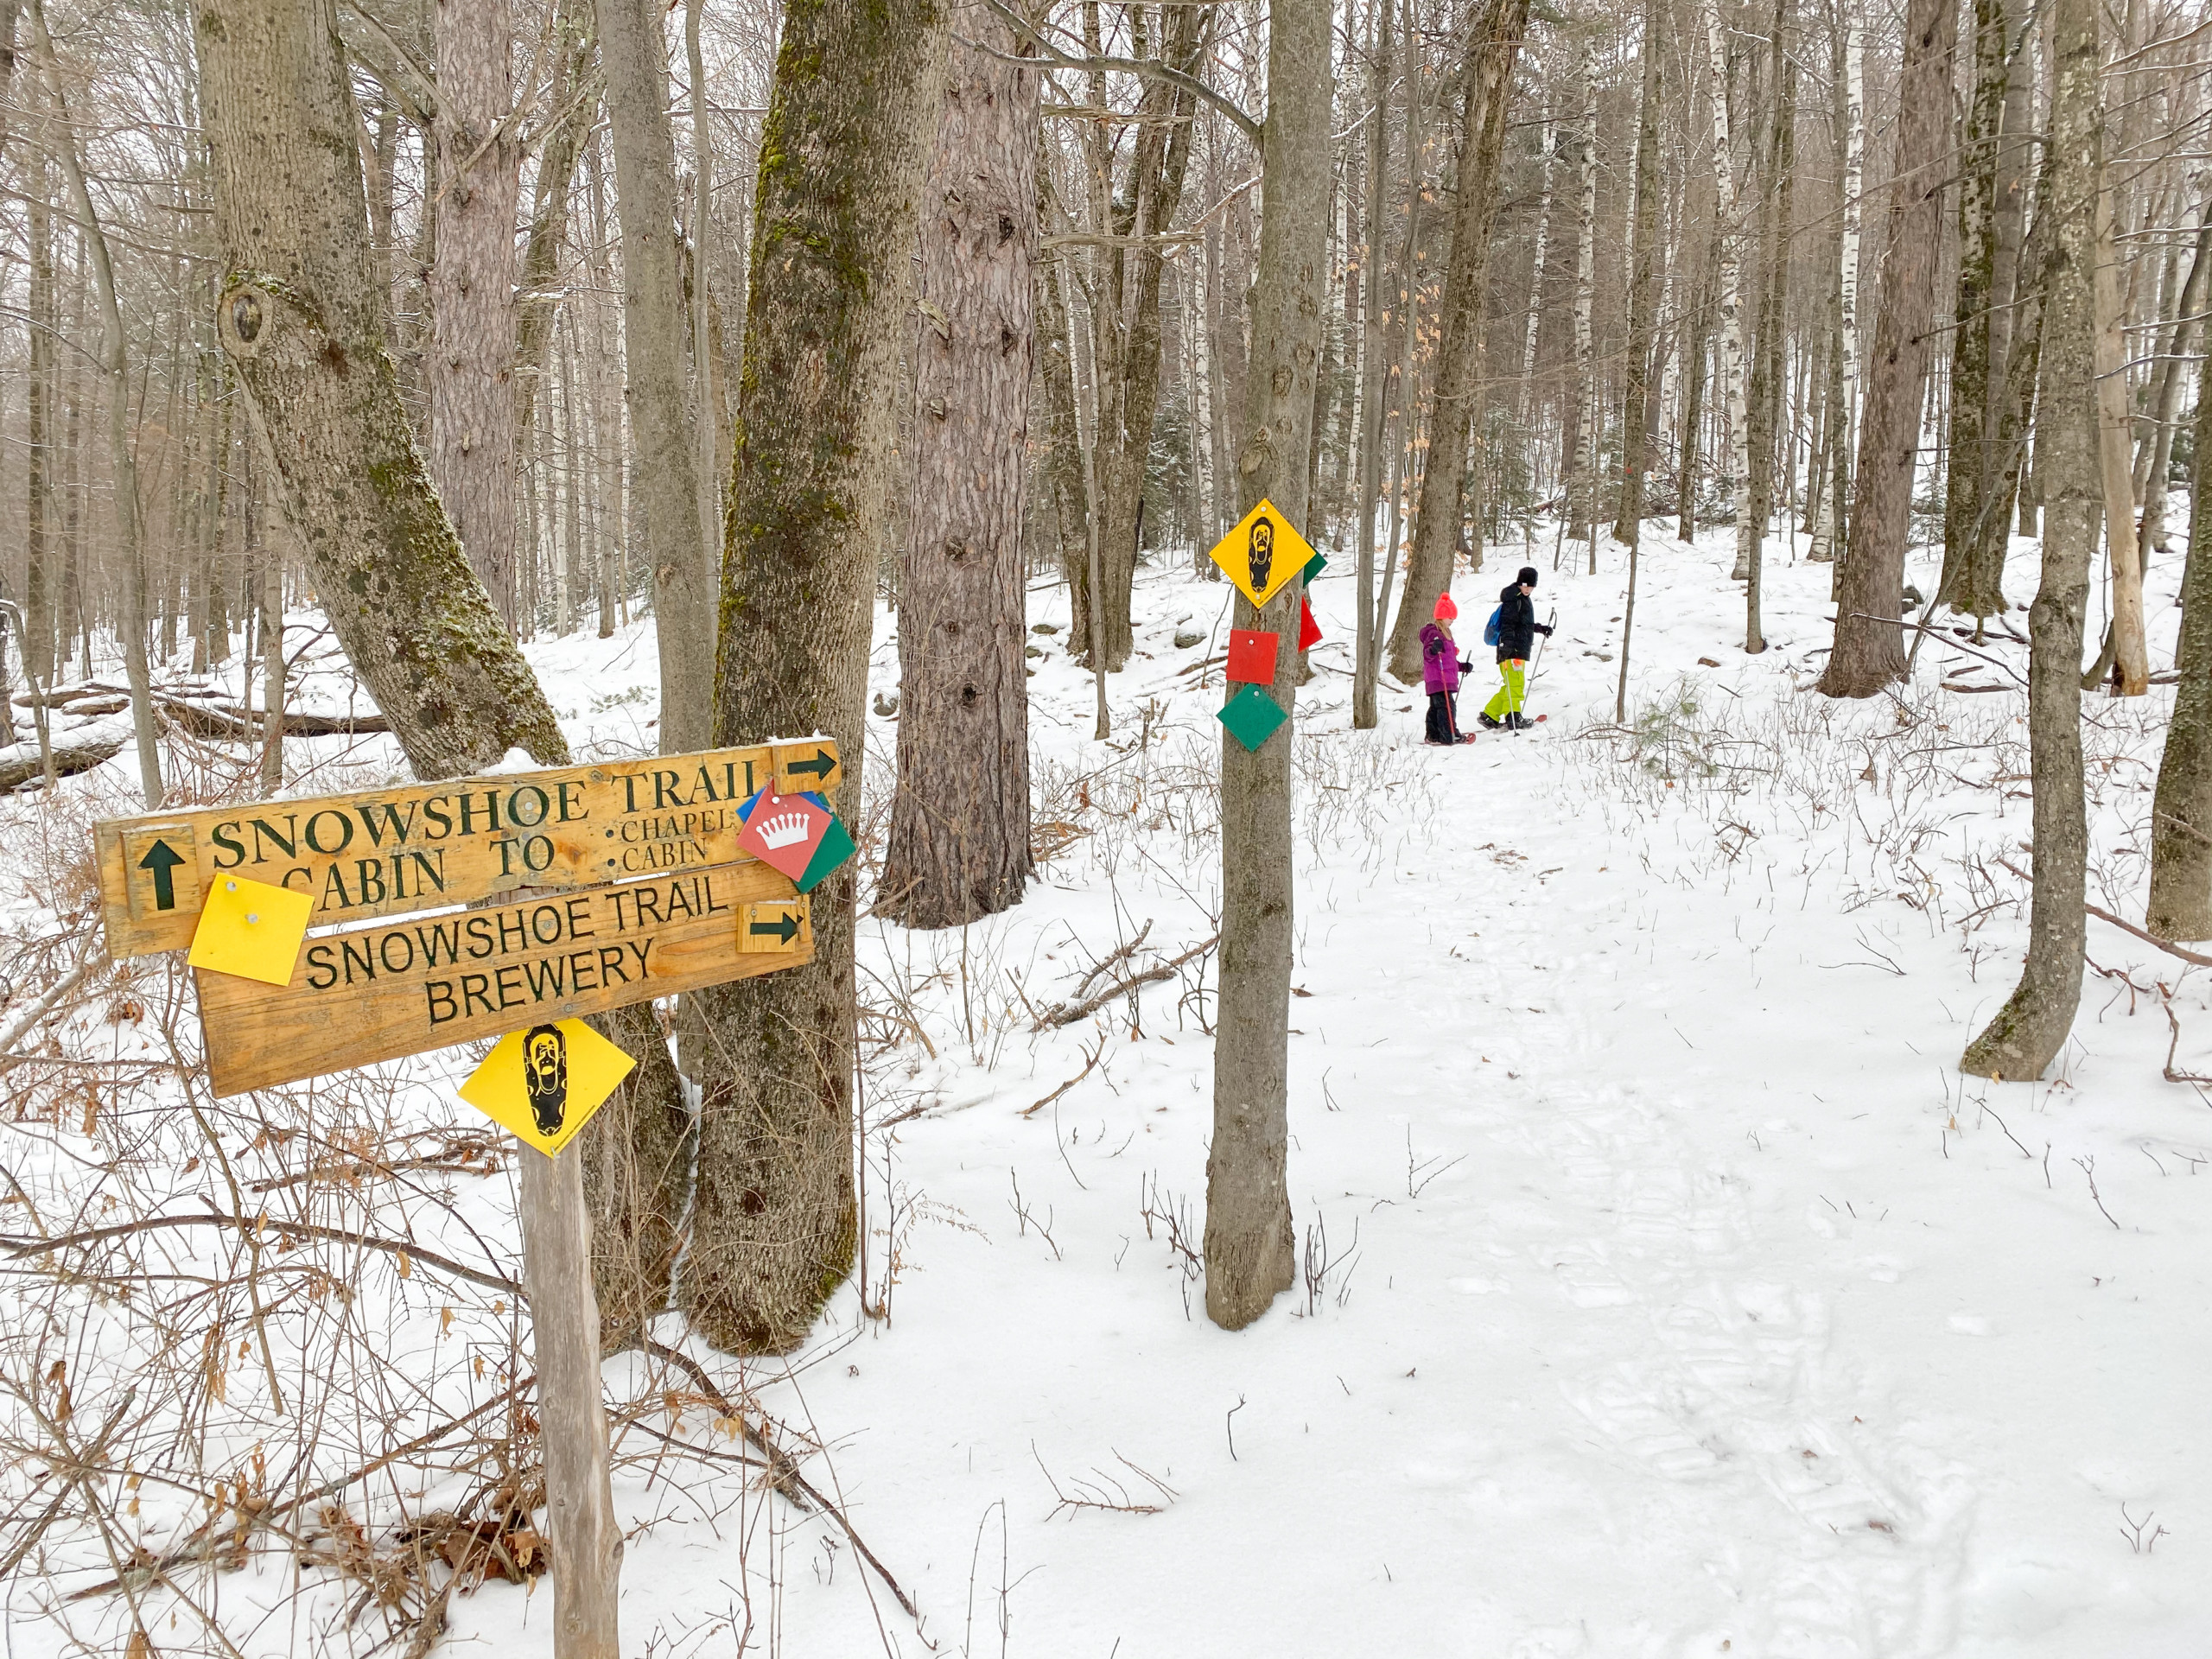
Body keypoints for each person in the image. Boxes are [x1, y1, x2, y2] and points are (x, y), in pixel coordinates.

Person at [1478, 566, 1554, 731]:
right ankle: (1513, 717)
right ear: (1520, 583)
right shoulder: (1513, 599)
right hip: (1512, 650)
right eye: (1526, 585)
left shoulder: (1521, 598)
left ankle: (1490, 714)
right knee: (1516, 684)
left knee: (1509, 685)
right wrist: (1506, 645)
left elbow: (1522, 624)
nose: (1528, 589)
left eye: (1531, 586)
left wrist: (1540, 628)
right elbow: (1508, 625)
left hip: (1515, 649)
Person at [1418, 594, 1476, 746]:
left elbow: (1449, 660)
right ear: (1442, 616)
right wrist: (1432, 650)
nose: (1452, 620)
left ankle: (1433, 734)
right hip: (1438, 678)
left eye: (1453, 617)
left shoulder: (1447, 635)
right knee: (1447, 707)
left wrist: (1462, 666)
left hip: (1443, 677)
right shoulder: (1434, 634)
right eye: (1450, 616)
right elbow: (1427, 654)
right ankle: (1449, 734)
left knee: (1437, 707)